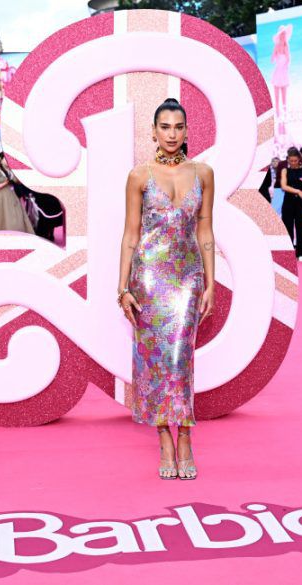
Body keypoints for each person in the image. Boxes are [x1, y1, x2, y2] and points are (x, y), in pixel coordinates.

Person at [118, 98, 216, 481]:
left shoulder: (204, 173)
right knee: (153, 361)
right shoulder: (139, 176)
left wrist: (209, 282)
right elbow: (131, 234)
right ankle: (164, 438)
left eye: (179, 127)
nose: (172, 134)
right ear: (153, 131)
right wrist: (122, 286)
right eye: (165, 127)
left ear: (187, 131)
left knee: (181, 358)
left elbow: (205, 230)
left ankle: (186, 437)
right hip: (149, 278)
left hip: (188, 279)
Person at [0, 155, 34, 234]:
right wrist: (6, 182)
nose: (8, 161)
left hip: (11, 195)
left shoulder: (10, 170)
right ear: (1, 159)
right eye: (6, 159)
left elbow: (18, 181)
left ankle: (16, 234)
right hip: (0, 197)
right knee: (1, 217)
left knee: (16, 216)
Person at [280, 147, 302, 261]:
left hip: (301, 202)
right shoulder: (285, 171)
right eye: (291, 161)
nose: (293, 163)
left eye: (295, 161)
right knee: (287, 228)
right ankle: (288, 254)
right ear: (288, 160)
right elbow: (284, 186)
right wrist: (297, 191)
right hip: (288, 202)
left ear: (299, 159)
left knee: (301, 227)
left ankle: (301, 254)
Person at [271, 24, 292, 118]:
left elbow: (288, 59)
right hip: (278, 71)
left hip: (283, 72)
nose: (283, 36)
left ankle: (285, 111)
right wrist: (275, 54)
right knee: (276, 94)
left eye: (284, 34)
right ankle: (277, 112)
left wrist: (286, 66)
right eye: (282, 34)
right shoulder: (277, 45)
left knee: (284, 94)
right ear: (279, 36)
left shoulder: (286, 45)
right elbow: (272, 59)